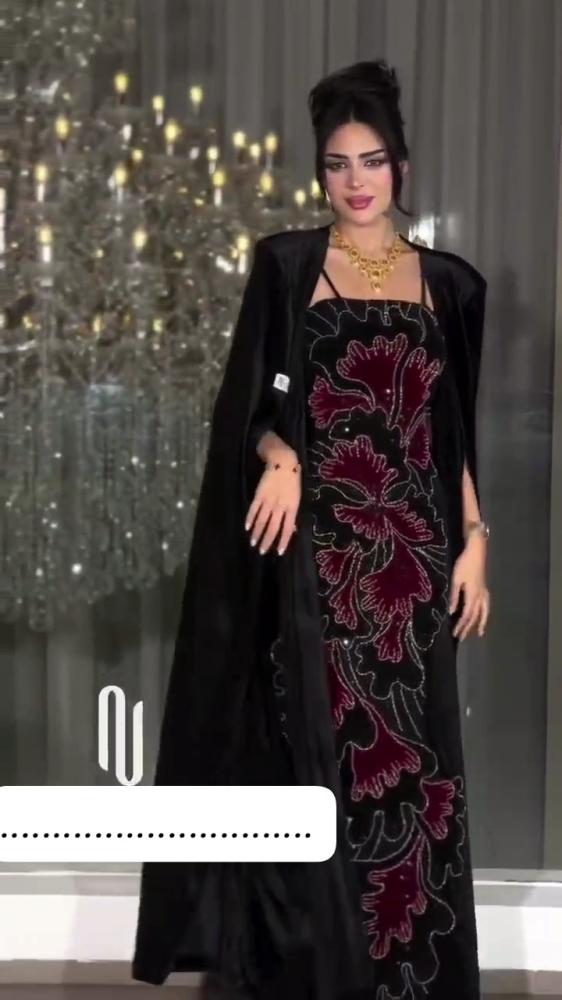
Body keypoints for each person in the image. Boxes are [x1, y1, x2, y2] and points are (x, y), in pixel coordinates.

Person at [132, 58, 490, 1000]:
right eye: (337, 164)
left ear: (401, 165)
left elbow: (454, 434)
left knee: (412, 771)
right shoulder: (288, 265)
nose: (356, 181)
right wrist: (282, 454)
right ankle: (317, 977)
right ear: (320, 171)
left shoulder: (452, 286)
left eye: (372, 161)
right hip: (317, 571)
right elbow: (245, 409)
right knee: (319, 773)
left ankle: (409, 976)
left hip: (414, 573)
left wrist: (477, 543)